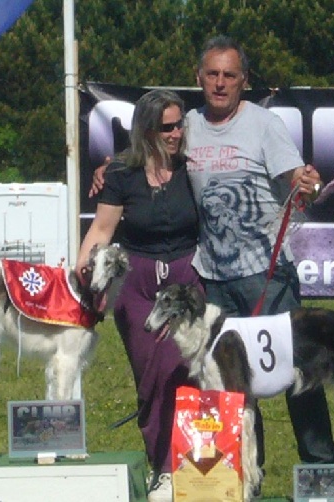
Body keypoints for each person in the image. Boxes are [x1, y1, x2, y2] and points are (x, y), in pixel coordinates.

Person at [91, 36, 334, 495]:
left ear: (244, 80)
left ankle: (323, 474)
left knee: (298, 379)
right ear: (199, 78)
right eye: (213, 74)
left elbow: (296, 180)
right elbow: (150, 153)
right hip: (212, 281)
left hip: (266, 277)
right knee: (230, 390)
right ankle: (247, 479)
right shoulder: (186, 125)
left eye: (230, 75)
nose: (221, 83)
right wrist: (110, 169)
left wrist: (307, 184)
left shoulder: (264, 124)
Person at [75, 89, 201, 502]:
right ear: (146, 130)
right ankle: (161, 468)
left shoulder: (192, 169)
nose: (177, 133)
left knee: (186, 373)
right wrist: (84, 271)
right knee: (152, 379)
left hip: (186, 282)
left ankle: (196, 464)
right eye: (167, 127)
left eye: (179, 124)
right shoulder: (120, 175)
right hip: (139, 284)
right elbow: (101, 231)